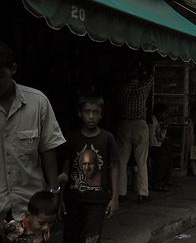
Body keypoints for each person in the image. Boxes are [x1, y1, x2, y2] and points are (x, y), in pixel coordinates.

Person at [0, 43, 66, 240]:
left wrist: (54, 193)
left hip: (31, 208)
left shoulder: (38, 102)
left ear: (13, 69)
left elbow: (48, 150)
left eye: (0, 75)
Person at [61, 94, 119, 243]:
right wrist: (59, 197)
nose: (91, 116)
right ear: (80, 113)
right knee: (71, 236)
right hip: (73, 198)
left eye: (96, 112)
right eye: (87, 112)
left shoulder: (107, 138)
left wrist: (114, 197)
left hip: (97, 200)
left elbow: (114, 167)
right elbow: (66, 169)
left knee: (91, 238)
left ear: (101, 115)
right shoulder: (72, 138)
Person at [116, 61, 153, 204]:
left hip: (124, 123)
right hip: (139, 123)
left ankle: (121, 192)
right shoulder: (143, 88)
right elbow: (151, 77)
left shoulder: (122, 87)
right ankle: (143, 193)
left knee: (122, 160)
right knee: (141, 160)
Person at [148, 104, 172, 192]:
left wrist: (164, 129)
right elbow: (152, 141)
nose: (166, 116)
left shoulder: (157, 122)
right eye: (165, 113)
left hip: (155, 145)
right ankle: (156, 181)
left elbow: (160, 137)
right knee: (162, 154)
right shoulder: (152, 122)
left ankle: (163, 179)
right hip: (150, 147)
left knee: (167, 150)